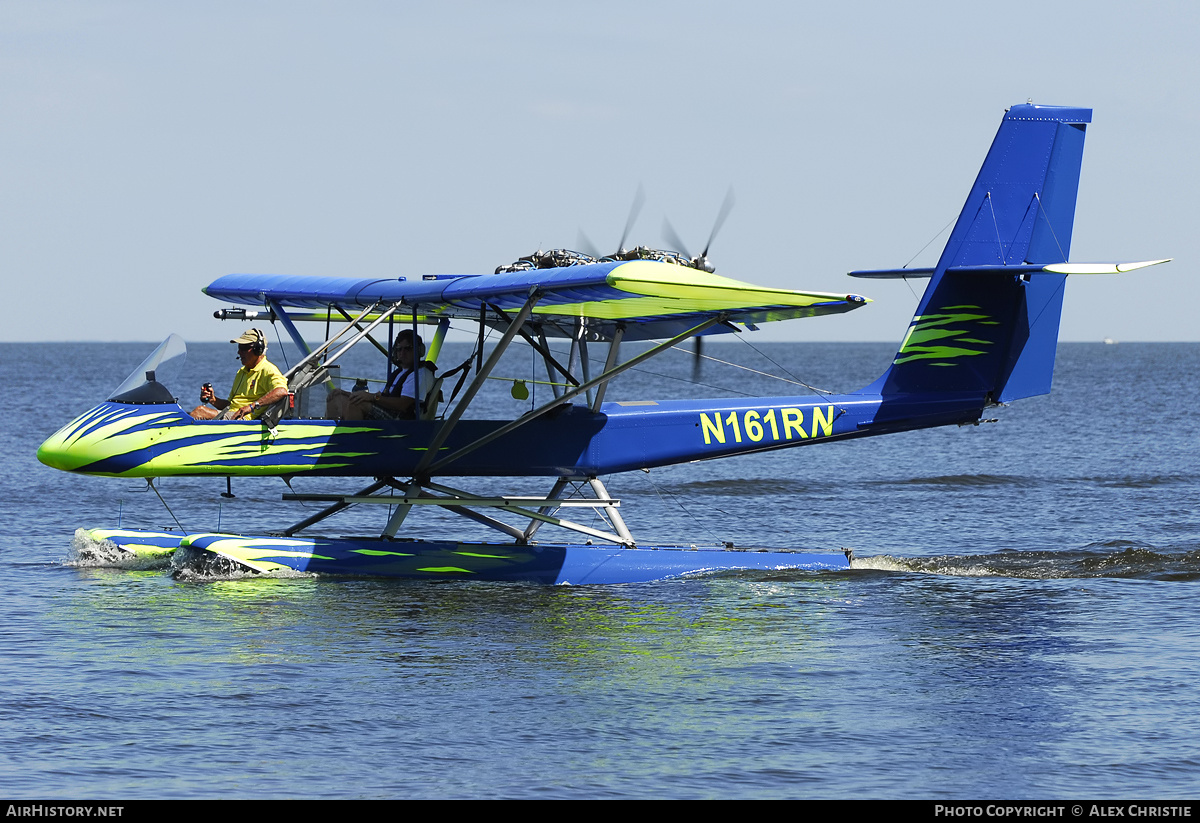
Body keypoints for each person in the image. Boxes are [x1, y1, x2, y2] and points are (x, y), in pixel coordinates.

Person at [327, 330, 435, 420]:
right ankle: (331, 441)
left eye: (407, 348)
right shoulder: (399, 373)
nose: (402, 352)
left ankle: (352, 442)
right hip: (388, 412)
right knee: (337, 398)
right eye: (399, 349)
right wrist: (346, 393)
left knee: (356, 403)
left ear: (419, 350)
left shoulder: (420, 374)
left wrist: (373, 397)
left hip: (402, 420)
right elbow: (381, 396)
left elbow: (403, 405)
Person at [190, 329, 289, 420]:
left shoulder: (268, 369)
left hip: (244, 420)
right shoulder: (241, 372)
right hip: (232, 415)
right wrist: (213, 400)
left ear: (258, 349)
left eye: (244, 348)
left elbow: (282, 391)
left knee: (199, 412)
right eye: (239, 347)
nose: (239, 352)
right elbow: (231, 405)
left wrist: (252, 407)